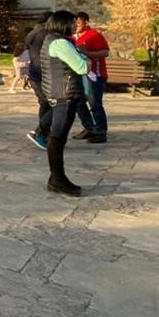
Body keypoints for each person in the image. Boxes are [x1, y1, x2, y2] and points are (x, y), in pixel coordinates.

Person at [39, 10, 91, 196]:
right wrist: (85, 58)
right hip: (65, 95)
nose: (75, 25)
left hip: (60, 93)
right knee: (58, 137)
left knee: (58, 137)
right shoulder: (60, 43)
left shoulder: (51, 40)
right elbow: (82, 67)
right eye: (72, 22)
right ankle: (57, 179)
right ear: (63, 23)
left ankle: (57, 178)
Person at [73, 12, 109, 144]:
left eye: (79, 21)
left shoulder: (94, 35)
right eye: (74, 21)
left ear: (86, 22)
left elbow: (105, 52)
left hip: (95, 76)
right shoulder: (72, 37)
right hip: (79, 76)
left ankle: (101, 131)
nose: (76, 24)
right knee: (78, 102)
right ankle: (89, 128)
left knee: (94, 104)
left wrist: (86, 53)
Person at [24, 11, 54, 151]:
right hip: (43, 74)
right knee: (56, 105)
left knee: (45, 104)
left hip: (35, 74)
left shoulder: (33, 33)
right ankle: (40, 132)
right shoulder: (46, 35)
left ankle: (45, 133)